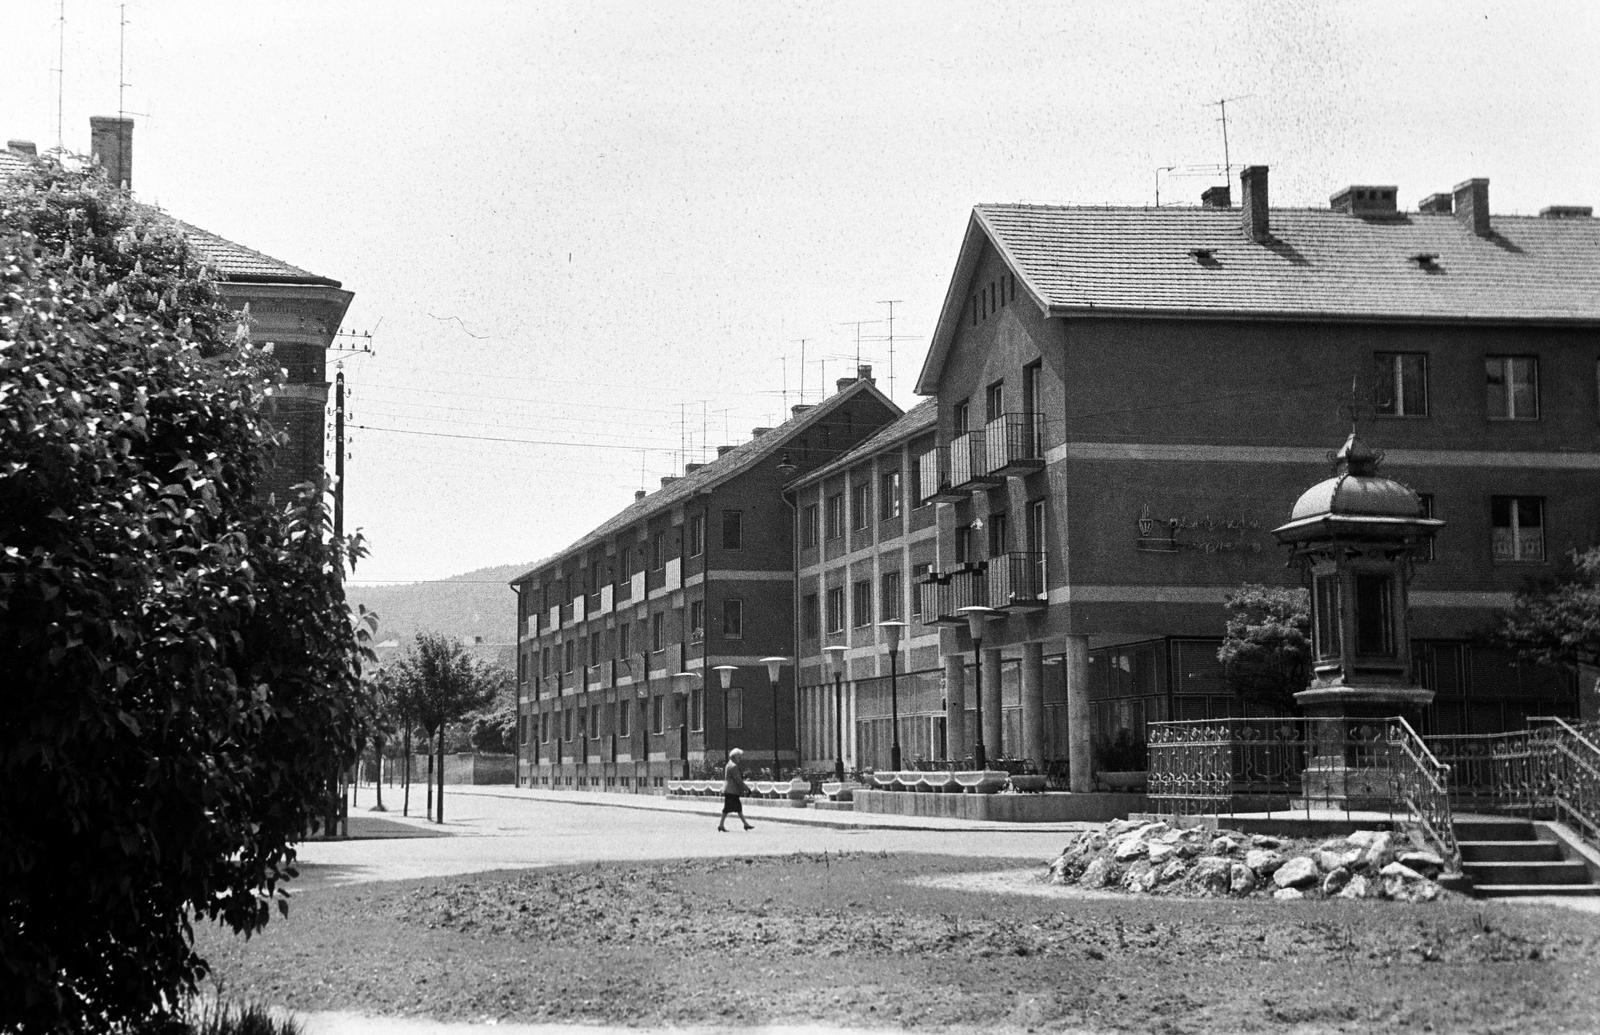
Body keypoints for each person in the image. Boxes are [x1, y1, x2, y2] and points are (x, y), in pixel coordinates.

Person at [718, 747, 753, 832]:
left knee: (735, 808)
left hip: (729, 790)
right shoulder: (733, 766)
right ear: (734, 757)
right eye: (739, 757)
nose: (740, 759)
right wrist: (747, 789)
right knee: (731, 808)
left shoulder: (728, 764)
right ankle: (722, 825)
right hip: (732, 790)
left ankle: (744, 824)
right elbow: (738, 780)